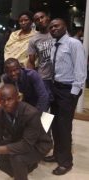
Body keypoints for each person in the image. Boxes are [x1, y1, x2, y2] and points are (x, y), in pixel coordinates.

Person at [0, 84, 52, 180]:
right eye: (2, 100)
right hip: (18, 139)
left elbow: (26, 145)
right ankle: (21, 171)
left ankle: (22, 173)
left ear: (18, 98)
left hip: (38, 145)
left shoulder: (31, 113)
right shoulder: (0, 111)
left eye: (9, 99)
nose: (6, 103)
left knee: (17, 159)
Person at [44, 18, 87, 175]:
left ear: (65, 26)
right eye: (51, 27)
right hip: (56, 88)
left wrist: (73, 94)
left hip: (67, 91)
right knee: (55, 124)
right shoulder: (55, 45)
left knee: (64, 127)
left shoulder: (74, 44)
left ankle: (66, 162)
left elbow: (81, 71)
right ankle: (57, 154)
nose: (53, 28)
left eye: (57, 26)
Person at [27, 11, 54, 107]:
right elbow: (31, 61)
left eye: (42, 17)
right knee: (44, 106)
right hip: (44, 77)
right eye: (37, 20)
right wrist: (31, 79)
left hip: (59, 77)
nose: (40, 20)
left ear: (47, 17)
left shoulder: (57, 33)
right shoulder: (33, 40)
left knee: (57, 109)